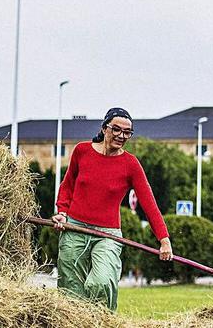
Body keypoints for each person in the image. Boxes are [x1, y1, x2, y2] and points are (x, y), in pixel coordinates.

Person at [52, 107, 171, 311]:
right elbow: (68, 185)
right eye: (116, 129)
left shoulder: (131, 164)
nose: (121, 135)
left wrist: (164, 239)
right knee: (70, 291)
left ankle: (102, 322)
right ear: (104, 128)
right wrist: (62, 212)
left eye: (127, 132)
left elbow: (149, 204)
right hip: (74, 228)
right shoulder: (82, 151)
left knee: (101, 281)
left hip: (107, 235)